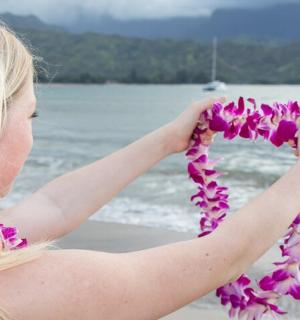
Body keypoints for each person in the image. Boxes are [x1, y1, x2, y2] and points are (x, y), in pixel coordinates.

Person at [0, 23, 300, 320]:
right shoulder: (40, 290)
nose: (33, 128)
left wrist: (169, 139)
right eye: (31, 114)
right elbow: (221, 257)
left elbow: (55, 205)